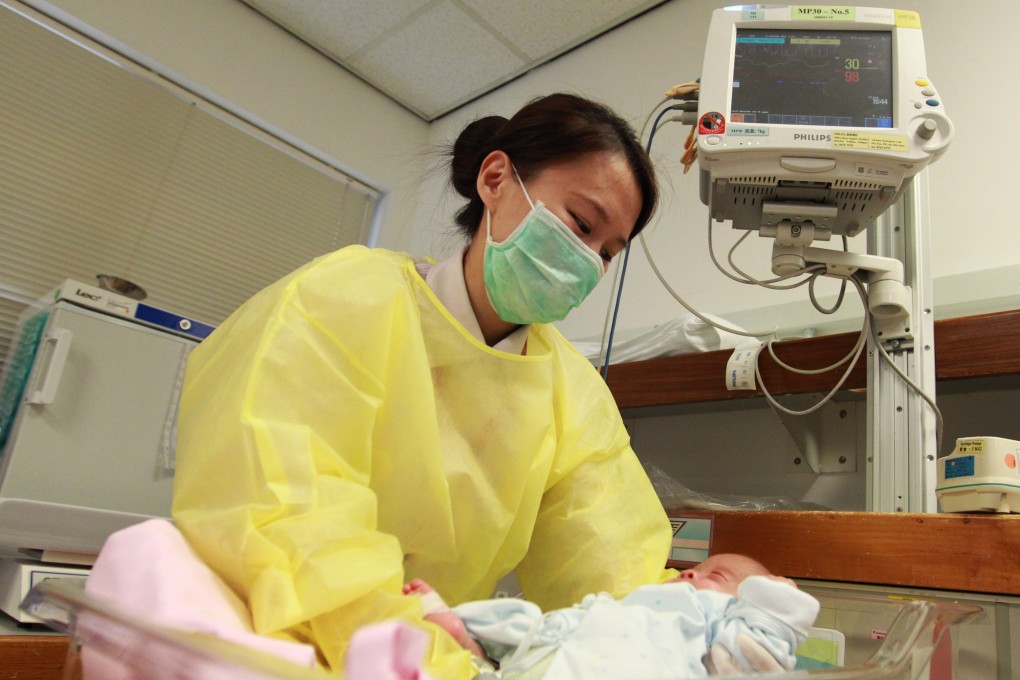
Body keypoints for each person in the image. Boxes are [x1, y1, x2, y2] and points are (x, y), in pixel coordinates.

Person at [171, 93, 674, 678]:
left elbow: (615, 566)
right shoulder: (346, 299)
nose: (587, 262)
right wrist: (420, 657)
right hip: (280, 646)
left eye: (608, 253)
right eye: (581, 224)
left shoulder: (571, 393)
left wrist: (694, 617)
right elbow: (282, 515)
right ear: (496, 179)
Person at [405, 553, 820, 679]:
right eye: (695, 567)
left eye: (719, 575)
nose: (691, 572)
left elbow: (760, 655)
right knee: (525, 625)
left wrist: (777, 599)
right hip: (562, 650)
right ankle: (471, 644)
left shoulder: (722, 624)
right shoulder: (640, 605)